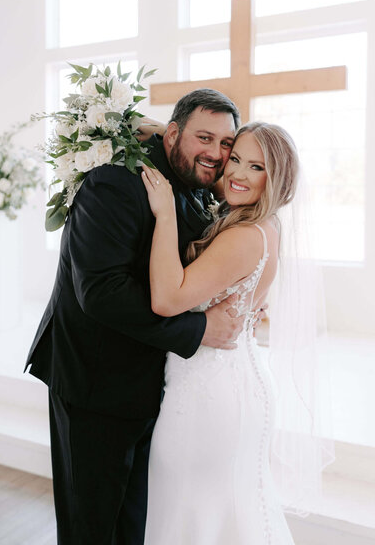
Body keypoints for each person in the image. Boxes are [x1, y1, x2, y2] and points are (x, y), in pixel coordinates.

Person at [24, 89, 247, 545]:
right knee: (92, 526)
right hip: (94, 380)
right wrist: (200, 329)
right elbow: (102, 293)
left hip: (147, 382)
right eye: (204, 137)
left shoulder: (192, 185)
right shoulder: (116, 182)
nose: (216, 153)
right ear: (172, 134)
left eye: (226, 143)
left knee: (131, 524)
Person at [142, 121, 300, 544]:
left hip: (208, 395)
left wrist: (165, 214)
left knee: (191, 514)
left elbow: (167, 299)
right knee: (224, 512)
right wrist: (164, 132)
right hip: (236, 379)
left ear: (276, 177)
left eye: (256, 167)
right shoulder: (267, 226)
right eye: (235, 159)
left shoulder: (244, 237)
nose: (238, 174)